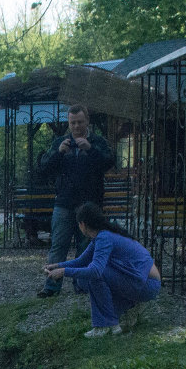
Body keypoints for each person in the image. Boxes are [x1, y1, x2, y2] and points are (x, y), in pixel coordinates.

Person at [44, 202, 161, 338]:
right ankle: (121, 313)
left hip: (148, 284)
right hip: (145, 282)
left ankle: (106, 324)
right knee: (84, 277)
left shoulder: (104, 238)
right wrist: (56, 266)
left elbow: (96, 271)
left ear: (82, 224)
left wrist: (64, 272)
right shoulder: (102, 236)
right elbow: (81, 261)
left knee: (93, 275)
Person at [35, 104, 115, 298]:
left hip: (89, 203)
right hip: (64, 202)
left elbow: (110, 162)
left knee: (85, 247)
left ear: (87, 121)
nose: (76, 126)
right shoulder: (60, 142)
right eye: (73, 123)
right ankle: (52, 285)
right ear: (68, 123)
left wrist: (91, 150)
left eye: (80, 122)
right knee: (58, 245)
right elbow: (43, 169)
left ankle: (82, 284)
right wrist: (58, 153)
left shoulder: (98, 142)